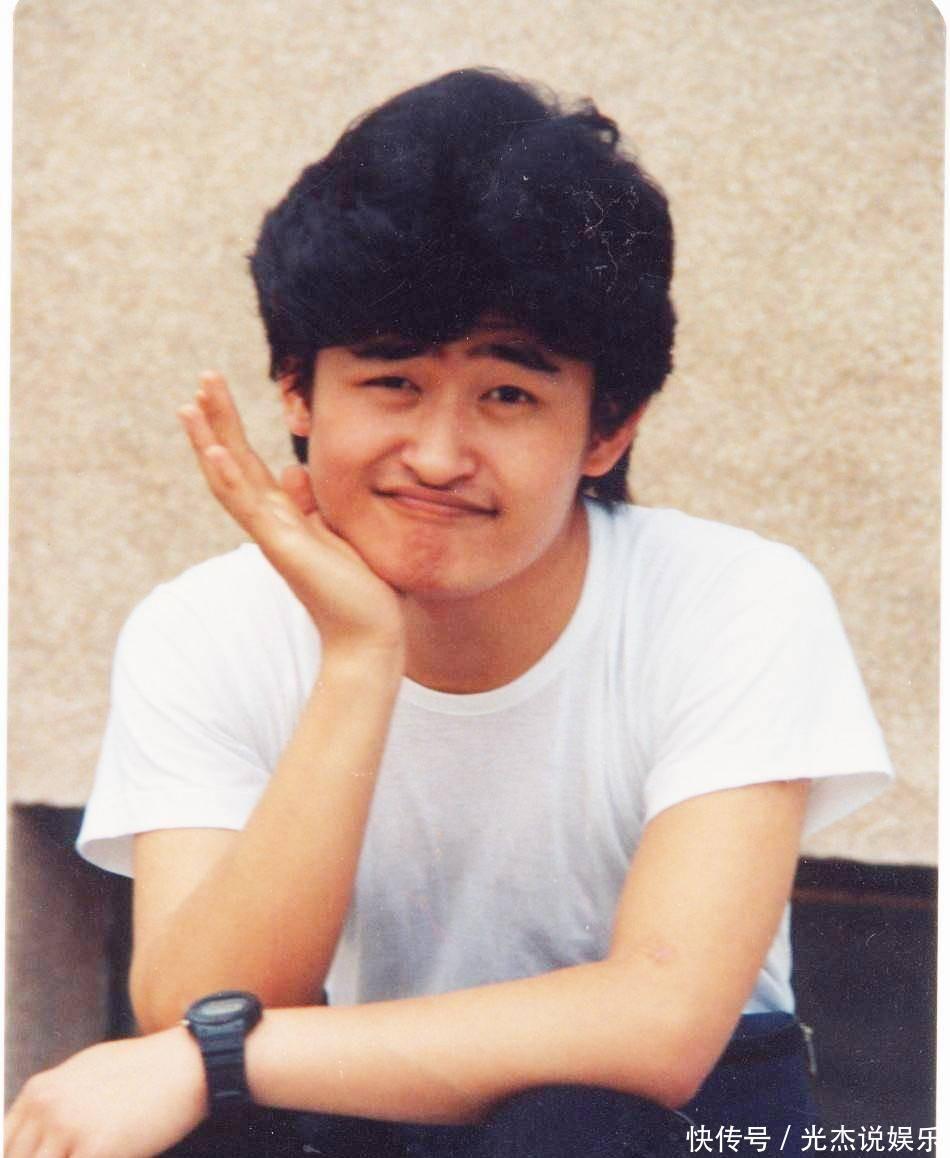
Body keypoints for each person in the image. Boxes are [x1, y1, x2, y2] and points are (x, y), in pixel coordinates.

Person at [5, 68, 892, 1158]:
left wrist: (215, 1056)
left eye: (507, 394)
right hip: (354, 1108)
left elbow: (660, 1026)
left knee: (569, 1130)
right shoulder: (200, 630)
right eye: (392, 381)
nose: (436, 455)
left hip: (665, 1125)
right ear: (297, 390)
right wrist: (357, 656)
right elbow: (199, 1005)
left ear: (606, 429)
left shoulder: (735, 600)